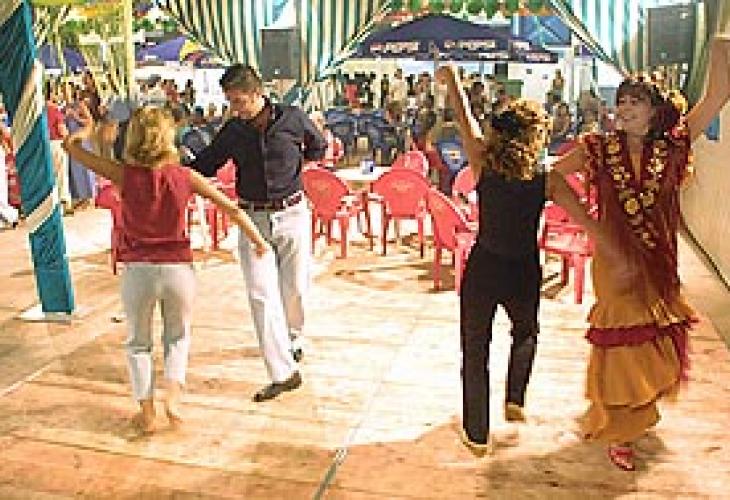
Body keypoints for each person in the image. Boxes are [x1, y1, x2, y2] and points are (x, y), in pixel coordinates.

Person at [552, 35, 730, 471]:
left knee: (652, 340)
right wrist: (595, 230)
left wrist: (717, 45)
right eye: (622, 101)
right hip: (615, 263)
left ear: (654, 111)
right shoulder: (596, 148)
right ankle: (620, 431)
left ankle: (631, 411)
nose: (625, 108)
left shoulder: (673, 146)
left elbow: (716, 95)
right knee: (622, 345)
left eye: (636, 102)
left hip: (659, 262)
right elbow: (551, 179)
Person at [62, 106, 269, 434]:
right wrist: (258, 241)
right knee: (177, 336)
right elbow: (231, 208)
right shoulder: (185, 176)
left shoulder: (123, 174)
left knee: (137, 343)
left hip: (138, 270)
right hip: (178, 269)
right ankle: (173, 397)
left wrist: (85, 131)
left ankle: (147, 412)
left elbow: (70, 148)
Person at [435, 64, 605, 457]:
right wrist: (620, 245)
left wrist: (453, 81)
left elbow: (464, 117)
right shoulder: (547, 179)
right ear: (535, 137)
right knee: (525, 333)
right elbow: (586, 221)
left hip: (484, 266)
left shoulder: (482, 161)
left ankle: (477, 434)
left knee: (474, 350)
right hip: (524, 268)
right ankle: (515, 396)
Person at [189, 64, 326, 402]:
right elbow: (206, 164)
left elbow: (317, 147)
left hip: (292, 213)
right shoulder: (233, 131)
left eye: (239, 101)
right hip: (252, 219)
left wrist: (294, 172)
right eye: (230, 101)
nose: (235, 108)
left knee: (294, 288)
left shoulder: (293, 118)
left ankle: (294, 339)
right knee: (260, 295)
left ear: (257, 93)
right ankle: (282, 372)